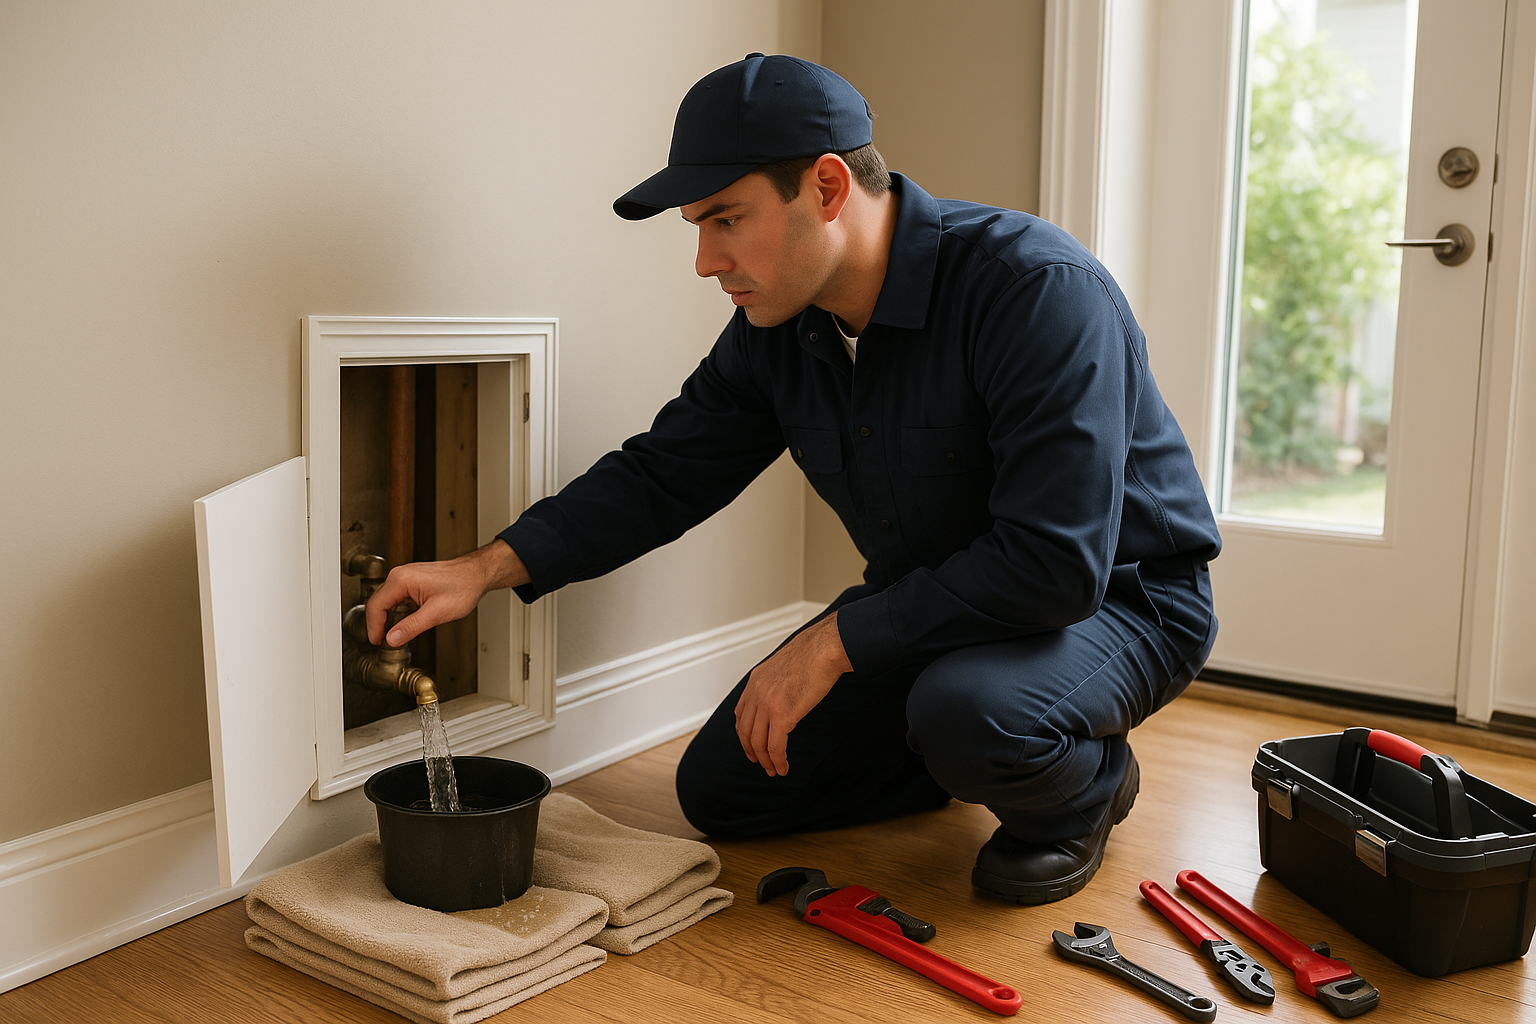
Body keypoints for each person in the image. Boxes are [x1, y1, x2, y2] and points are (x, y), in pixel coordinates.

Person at [367, 53, 1221, 905]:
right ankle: (954, 742)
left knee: (973, 716)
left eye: (727, 220)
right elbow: (665, 471)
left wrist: (833, 643)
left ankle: (1083, 787)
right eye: (697, 227)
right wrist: (483, 568)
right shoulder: (779, 329)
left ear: (826, 187)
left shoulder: (1034, 291)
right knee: (724, 788)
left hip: (1119, 599)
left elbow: (1052, 565)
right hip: (934, 603)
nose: (706, 260)